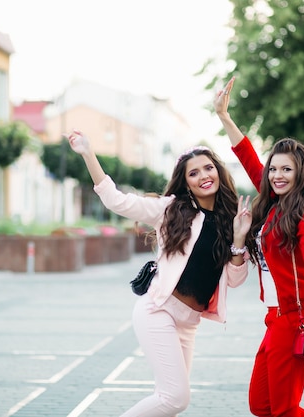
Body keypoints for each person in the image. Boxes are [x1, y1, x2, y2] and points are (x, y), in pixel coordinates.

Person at [67, 129, 255, 417]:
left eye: (208, 168)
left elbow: (234, 279)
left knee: (167, 402)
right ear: (186, 183)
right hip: (159, 311)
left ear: (218, 171)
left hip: (189, 323)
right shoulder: (171, 210)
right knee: (175, 398)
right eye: (193, 173)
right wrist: (88, 153)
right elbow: (116, 201)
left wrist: (239, 239)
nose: (203, 175)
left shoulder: (232, 220)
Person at [214, 76, 304, 417]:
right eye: (273, 169)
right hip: (275, 319)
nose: (277, 175)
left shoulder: (302, 209)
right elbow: (248, 159)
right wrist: (224, 116)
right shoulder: (272, 204)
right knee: (261, 405)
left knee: (282, 409)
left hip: (296, 317)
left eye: (286, 169)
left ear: (299, 173)